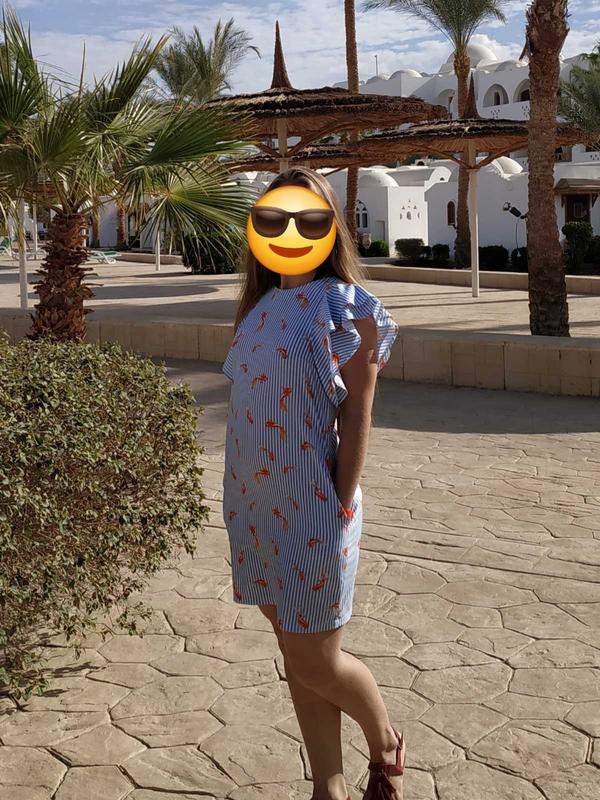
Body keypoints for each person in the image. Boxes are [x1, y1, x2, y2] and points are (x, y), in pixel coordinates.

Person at [222, 167, 405, 800]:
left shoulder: (346, 305)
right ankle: (328, 788)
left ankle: (384, 740)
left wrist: (340, 502)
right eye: (274, 218)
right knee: (295, 654)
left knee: (315, 660)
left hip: (313, 508)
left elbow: (357, 411)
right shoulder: (257, 308)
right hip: (252, 506)